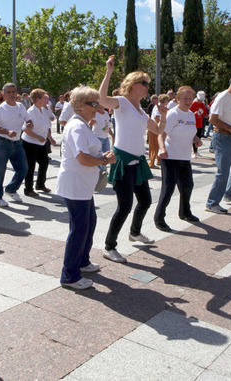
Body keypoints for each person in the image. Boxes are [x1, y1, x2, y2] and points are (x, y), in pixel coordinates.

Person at [98, 55, 166, 263]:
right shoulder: (122, 103)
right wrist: (109, 71)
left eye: (147, 83)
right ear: (133, 85)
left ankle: (135, 232)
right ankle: (109, 246)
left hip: (137, 162)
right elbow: (101, 99)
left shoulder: (141, 112)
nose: (147, 87)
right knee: (125, 206)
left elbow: (158, 130)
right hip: (122, 161)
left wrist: (162, 115)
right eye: (144, 83)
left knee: (145, 200)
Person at [56, 85, 116, 290]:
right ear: (80, 106)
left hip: (82, 186)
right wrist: (104, 160)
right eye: (94, 103)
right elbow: (82, 157)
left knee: (88, 223)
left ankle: (82, 261)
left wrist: (101, 159)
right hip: (76, 185)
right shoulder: (77, 127)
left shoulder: (82, 124)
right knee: (79, 229)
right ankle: (69, 275)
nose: (98, 107)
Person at [153, 86, 202, 232]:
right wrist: (162, 149)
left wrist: (196, 139)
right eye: (185, 98)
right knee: (168, 189)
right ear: (178, 99)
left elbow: (189, 132)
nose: (188, 101)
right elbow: (161, 133)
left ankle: (185, 212)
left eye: (190, 98)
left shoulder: (191, 115)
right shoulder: (173, 114)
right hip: (170, 157)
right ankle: (159, 218)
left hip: (184, 157)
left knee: (188, 186)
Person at [204, 73, 231, 214]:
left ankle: (230, 194)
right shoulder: (223, 97)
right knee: (223, 172)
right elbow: (212, 118)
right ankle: (212, 203)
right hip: (222, 137)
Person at [0, 83, 31, 206]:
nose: (12, 94)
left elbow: (27, 119)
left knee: (23, 168)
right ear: (3, 94)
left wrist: (29, 124)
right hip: (2, 142)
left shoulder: (20, 106)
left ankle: (11, 189)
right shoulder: (0, 109)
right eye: (9, 92)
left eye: (14, 92)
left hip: (17, 143)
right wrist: (7, 132)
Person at [22, 88, 57, 197]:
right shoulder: (31, 112)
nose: (47, 99)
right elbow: (26, 130)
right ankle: (28, 189)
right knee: (30, 166)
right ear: (37, 99)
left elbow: (47, 124)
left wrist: (49, 138)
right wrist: (38, 137)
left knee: (44, 162)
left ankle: (40, 184)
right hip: (30, 143)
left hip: (41, 143)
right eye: (44, 97)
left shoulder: (44, 109)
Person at [148, 94, 169, 168]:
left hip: (156, 128)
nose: (168, 101)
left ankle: (158, 160)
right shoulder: (158, 107)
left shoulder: (161, 106)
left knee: (157, 145)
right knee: (154, 146)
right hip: (155, 128)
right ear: (165, 100)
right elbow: (156, 117)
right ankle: (151, 162)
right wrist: (160, 125)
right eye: (167, 100)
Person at [189, 91, 209, 157]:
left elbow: (205, 114)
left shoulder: (202, 104)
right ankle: (194, 152)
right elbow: (188, 113)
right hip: (193, 124)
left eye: (201, 100)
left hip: (200, 124)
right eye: (199, 99)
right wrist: (193, 114)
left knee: (198, 138)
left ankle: (196, 151)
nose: (200, 101)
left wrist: (208, 116)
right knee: (193, 138)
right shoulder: (194, 103)